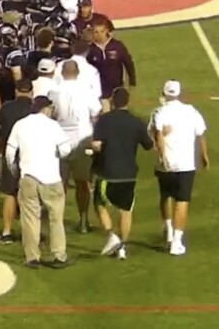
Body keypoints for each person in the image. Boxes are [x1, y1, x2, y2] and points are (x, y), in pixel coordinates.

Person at [6, 96, 72, 268]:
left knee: (30, 219)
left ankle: (32, 257)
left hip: (28, 177)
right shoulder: (53, 126)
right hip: (51, 178)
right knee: (56, 219)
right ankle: (59, 255)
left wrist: (16, 172)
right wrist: (56, 156)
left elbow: (9, 153)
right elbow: (65, 149)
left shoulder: (20, 124)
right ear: (46, 109)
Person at [91, 88, 154, 260]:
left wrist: (94, 148)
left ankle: (111, 236)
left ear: (112, 101)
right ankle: (122, 248)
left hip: (107, 172)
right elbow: (149, 145)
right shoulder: (137, 122)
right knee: (125, 210)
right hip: (128, 174)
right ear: (128, 101)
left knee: (99, 204)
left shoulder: (104, 120)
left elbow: (96, 145)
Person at [150, 80, 209, 256]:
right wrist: (204, 156)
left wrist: (162, 156)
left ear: (164, 93)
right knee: (182, 201)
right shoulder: (191, 111)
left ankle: (168, 230)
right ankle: (176, 241)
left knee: (165, 196)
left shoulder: (159, 112)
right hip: (185, 163)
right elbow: (201, 135)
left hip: (165, 165)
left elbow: (156, 135)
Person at [48, 60, 102, 232]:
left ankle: (58, 222)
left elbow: (50, 115)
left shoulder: (54, 92)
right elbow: (96, 111)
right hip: (83, 139)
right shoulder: (86, 90)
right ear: (77, 73)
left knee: (59, 184)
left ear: (62, 73)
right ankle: (84, 221)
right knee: (83, 182)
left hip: (59, 140)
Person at [0, 77, 33, 243]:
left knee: (10, 194)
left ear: (16, 91)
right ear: (31, 92)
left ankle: (7, 232)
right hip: (31, 157)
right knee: (31, 198)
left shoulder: (6, 108)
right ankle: (31, 234)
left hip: (10, 156)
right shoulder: (36, 111)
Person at [87, 21, 136, 113]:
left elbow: (128, 63)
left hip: (117, 87)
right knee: (106, 114)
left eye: (101, 31)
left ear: (106, 31)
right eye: (96, 32)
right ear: (92, 33)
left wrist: (132, 81)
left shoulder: (117, 46)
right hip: (101, 90)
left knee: (119, 114)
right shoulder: (90, 50)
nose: (99, 35)